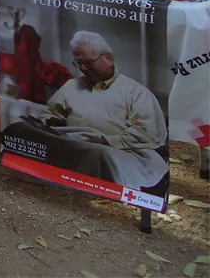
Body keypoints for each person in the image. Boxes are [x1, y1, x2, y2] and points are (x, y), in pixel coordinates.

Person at [9, 30, 168, 190]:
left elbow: (148, 132)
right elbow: (53, 113)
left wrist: (105, 141)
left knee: (97, 154)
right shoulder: (71, 86)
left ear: (108, 58)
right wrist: (46, 121)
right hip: (70, 141)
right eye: (78, 64)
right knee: (19, 128)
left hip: (119, 151)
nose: (83, 69)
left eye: (88, 63)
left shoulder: (136, 92)